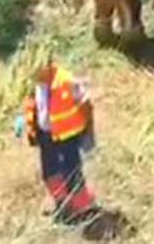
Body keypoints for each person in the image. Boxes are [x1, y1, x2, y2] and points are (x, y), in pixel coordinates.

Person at [15, 49, 99, 226]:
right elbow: (32, 103)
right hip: (46, 136)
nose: (33, 75)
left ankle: (84, 209)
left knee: (72, 173)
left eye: (37, 70)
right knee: (50, 173)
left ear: (48, 66)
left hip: (67, 137)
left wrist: (88, 132)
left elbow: (86, 105)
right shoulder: (35, 81)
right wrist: (25, 121)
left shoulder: (66, 81)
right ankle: (64, 205)